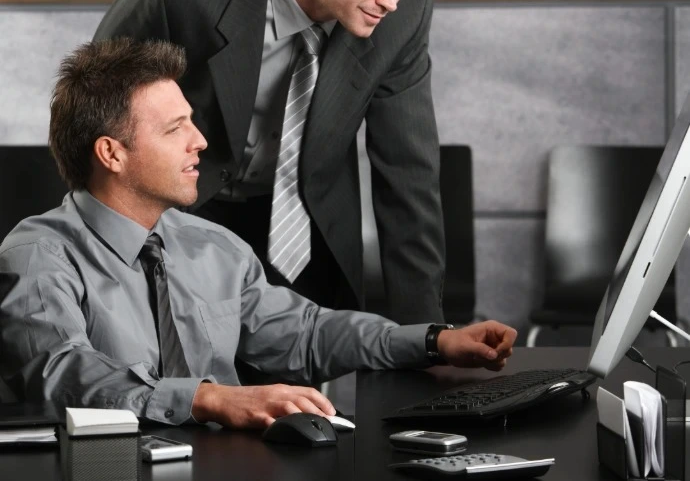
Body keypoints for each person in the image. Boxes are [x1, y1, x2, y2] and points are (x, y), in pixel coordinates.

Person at [0, 39, 516, 428]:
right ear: (111, 153)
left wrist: (434, 341)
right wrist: (212, 398)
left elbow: (306, 333)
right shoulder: (38, 255)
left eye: (191, 122)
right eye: (174, 129)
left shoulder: (213, 246)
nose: (200, 141)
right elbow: (60, 372)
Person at [93, 0, 444, 324]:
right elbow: (93, 102)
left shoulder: (404, 19)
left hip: (306, 232)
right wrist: (101, 258)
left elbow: (409, 174)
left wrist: (427, 338)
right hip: (184, 212)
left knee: (310, 365)